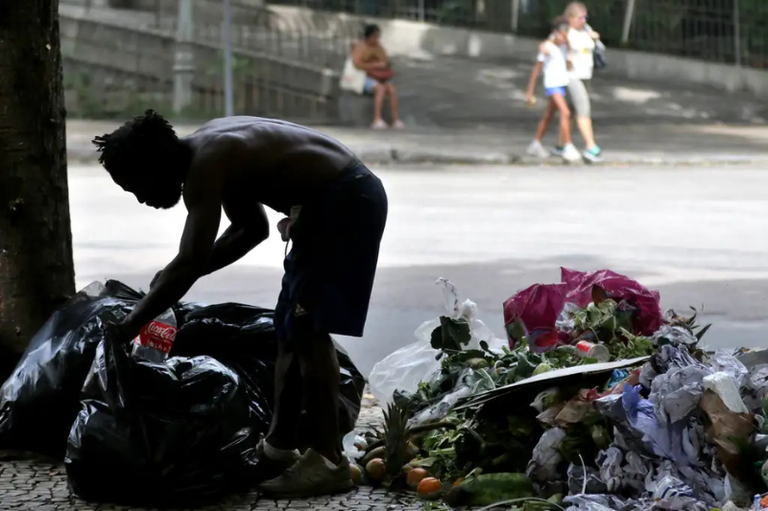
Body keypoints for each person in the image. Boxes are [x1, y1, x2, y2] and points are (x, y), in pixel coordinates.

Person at [93, 111, 388, 497]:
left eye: (135, 185)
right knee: (289, 331)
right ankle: (278, 448)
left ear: (155, 164)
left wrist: (132, 323)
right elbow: (251, 230)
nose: (141, 198)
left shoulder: (207, 163)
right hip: (329, 203)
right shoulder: (213, 151)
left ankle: (328, 460)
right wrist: (173, 278)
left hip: (345, 201)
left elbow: (191, 259)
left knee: (309, 332)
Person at [525, 16, 581, 163]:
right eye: (563, 32)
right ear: (556, 32)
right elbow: (536, 71)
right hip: (552, 85)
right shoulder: (547, 48)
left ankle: (536, 143)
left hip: (561, 84)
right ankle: (567, 146)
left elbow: (570, 52)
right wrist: (530, 92)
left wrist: (566, 43)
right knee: (565, 112)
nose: (565, 35)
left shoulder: (564, 46)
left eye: (567, 32)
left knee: (549, 115)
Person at [553, 1, 603, 162]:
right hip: (572, 76)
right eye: (580, 18)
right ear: (570, 18)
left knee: (570, 112)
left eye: (585, 17)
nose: (584, 21)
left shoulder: (586, 30)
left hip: (585, 76)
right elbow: (556, 43)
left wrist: (595, 38)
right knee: (584, 110)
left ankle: (560, 145)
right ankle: (591, 147)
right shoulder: (566, 32)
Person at [351, 24, 404, 130]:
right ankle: (377, 119)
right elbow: (357, 64)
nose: (376, 39)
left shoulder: (379, 48)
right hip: (363, 77)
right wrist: (374, 65)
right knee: (380, 89)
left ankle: (395, 119)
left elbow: (385, 61)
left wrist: (382, 65)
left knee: (391, 89)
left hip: (378, 77)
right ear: (368, 36)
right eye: (374, 37)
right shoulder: (360, 47)